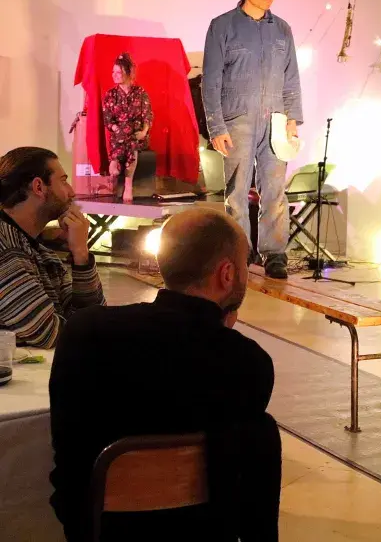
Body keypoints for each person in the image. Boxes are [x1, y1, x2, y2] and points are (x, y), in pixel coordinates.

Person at [49, 208, 280, 542]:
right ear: (227, 274)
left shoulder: (88, 332)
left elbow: (68, 454)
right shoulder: (250, 363)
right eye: (245, 264)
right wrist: (220, 333)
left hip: (101, 527)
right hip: (200, 530)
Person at [202, 0, 302, 280]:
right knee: (237, 191)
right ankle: (239, 250)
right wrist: (216, 126)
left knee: (274, 189)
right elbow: (211, 79)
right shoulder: (223, 26)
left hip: (275, 120)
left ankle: (275, 253)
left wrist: (292, 119)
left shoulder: (283, 30)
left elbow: (291, 78)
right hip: (237, 120)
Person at [0, 147, 103, 348]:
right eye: (63, 180)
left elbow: (94, 319)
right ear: (39, 187)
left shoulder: (42, 253)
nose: (72, 192)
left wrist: (81, 254)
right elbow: (49, 334)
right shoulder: (4, 247)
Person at [102, 53, 152, 203]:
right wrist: (118, 128)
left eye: (118, 72)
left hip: (137, 135)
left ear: (128, 73)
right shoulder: (110, 95)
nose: (114, 75)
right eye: (113, 72)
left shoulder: (140, 93)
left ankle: (114, 160)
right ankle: (127, 185)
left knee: (131, 139)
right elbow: (108, 120)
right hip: (119, 135)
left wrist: (144, 132)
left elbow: (147, 115)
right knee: (126, 136)